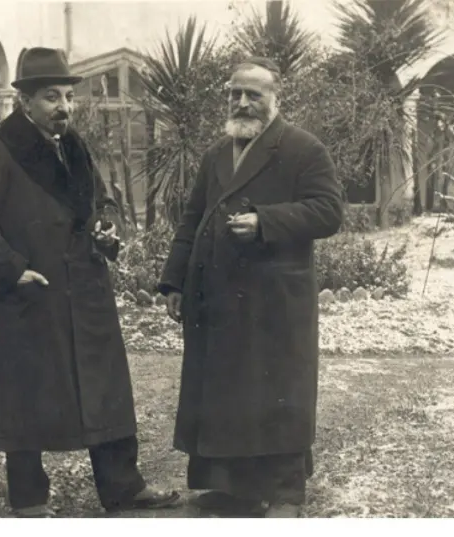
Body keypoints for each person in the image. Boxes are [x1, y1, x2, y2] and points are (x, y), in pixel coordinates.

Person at [0, 47, 179, 518]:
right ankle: (29, 500)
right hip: (34, 293)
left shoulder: (72, 145)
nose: (64, 108)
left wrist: (108, 226)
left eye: (69, 97)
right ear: (25, 101)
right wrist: (11, 270)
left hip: (87, 288)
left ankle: (122, 486)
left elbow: (101, 201)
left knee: (106, 385)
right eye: (52, 97)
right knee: (26, 395)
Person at [157, 56, 343, 518]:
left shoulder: (303, 148)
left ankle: (285, 493)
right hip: (216, 294)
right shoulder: (217, 152)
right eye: (234, 94)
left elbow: (328, 212)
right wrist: (174, 280)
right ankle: (231, 486)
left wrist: (267, 221)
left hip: (274, 297)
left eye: (252, 94)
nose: (242, 103)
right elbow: (193, 217)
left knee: (277, 388)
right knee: (224, 388)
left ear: (275, 99)